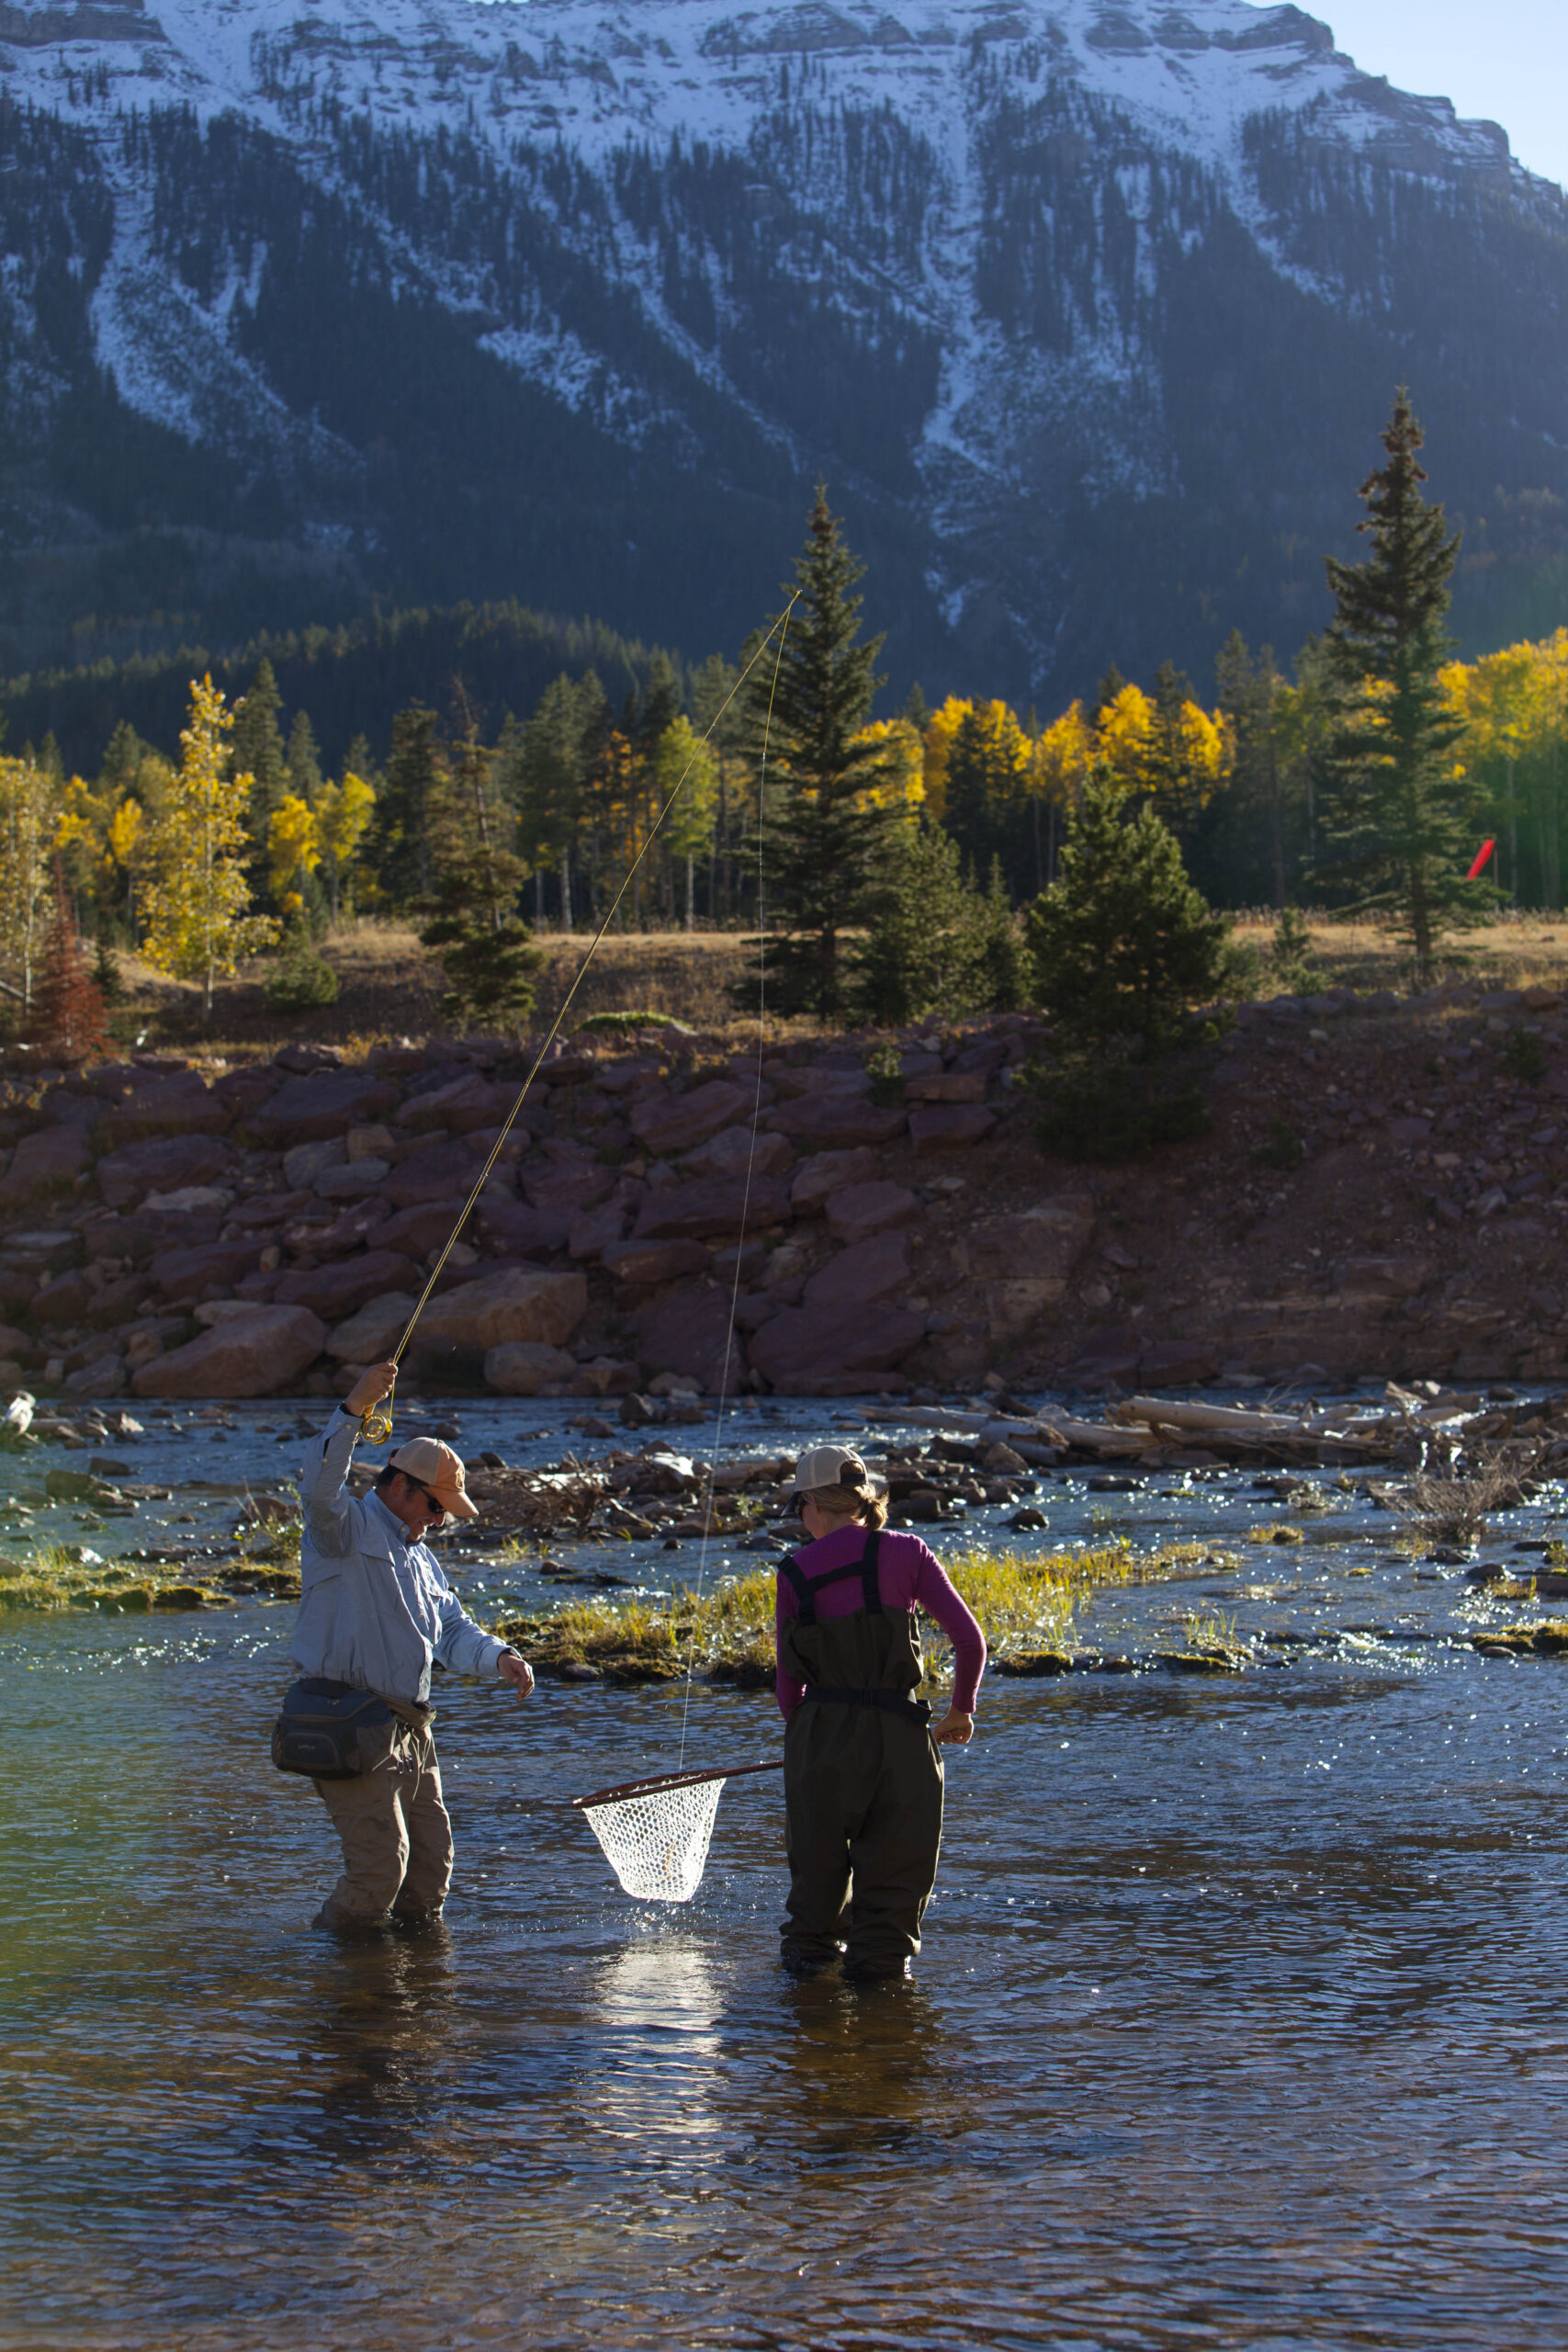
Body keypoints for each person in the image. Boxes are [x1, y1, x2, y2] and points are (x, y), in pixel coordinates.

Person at [289, 1359, 534, 1932]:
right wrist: (353, 1410)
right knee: (380, 1871)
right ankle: (334, 1988)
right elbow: (317, 1487)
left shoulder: (421, 1558)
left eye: (446, 1516)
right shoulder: (340, 1529)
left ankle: (415, 1999)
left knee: (428, 1872)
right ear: (400, 1486)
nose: (438, 1522)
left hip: (410, 1730)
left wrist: (501, 1656)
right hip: (343, 1720)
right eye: (435, 1508)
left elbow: (451, 1631)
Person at [775, 1442, 986, 1984]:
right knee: (890, 1909)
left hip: (819, 1742)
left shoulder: (794, 1572)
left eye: (800, 1507)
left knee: (814, 1907)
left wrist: (808, 1747)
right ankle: (885, 2035)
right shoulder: (909, 1551)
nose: (801, 1519)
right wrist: (961, 1710)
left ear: (815, 1505)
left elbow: (786, 1688)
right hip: (902, 1741)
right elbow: (970, 1642)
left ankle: (804, 2037)